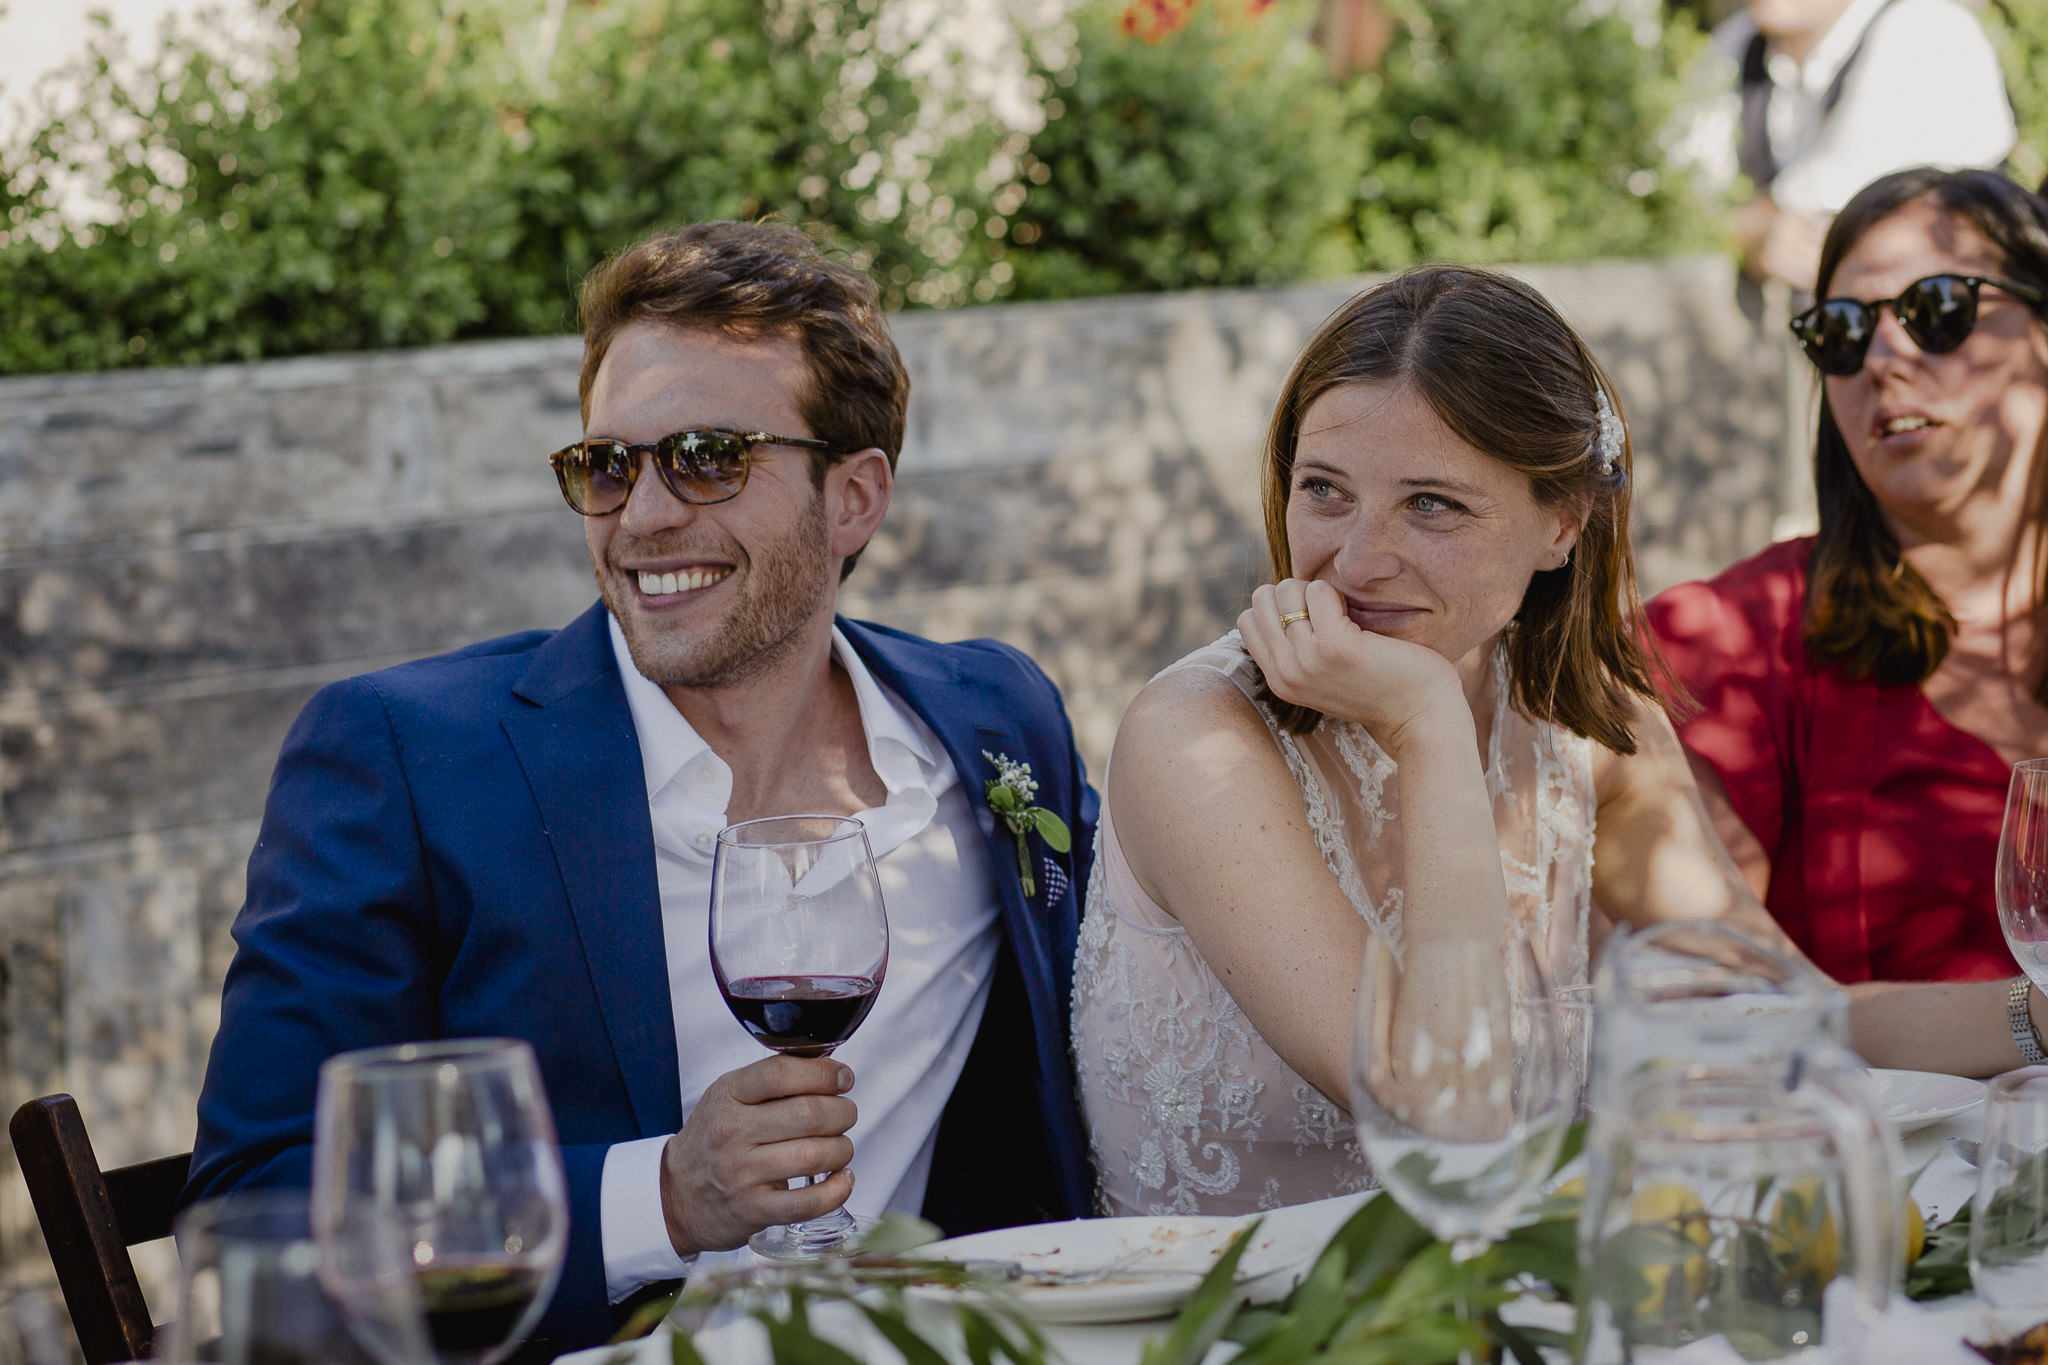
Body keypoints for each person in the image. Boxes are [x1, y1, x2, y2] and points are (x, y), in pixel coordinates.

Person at [181, 221, 1097, 1349]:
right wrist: (662, 1197)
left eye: (710, 458)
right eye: (607, 465)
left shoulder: (994, 722)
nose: (646, 516)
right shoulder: (403, 758)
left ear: (854, 497)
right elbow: (253, 1203)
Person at [1072, 262, 2048, 1219]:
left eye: (1430, 503)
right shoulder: (1196, 740)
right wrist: (1426, 723)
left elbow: (1794, 1016)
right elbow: (1441, 1112)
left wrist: (2037, 1011)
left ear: (1562, 525)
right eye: (1324, 490)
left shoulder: (1588, 726)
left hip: (1515, 1295)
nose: (1357, 560)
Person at [1649, 168, 2048, 991]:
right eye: (1841, 330)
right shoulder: (1734, 642)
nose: (1884, 357)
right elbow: (1709, 996)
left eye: (1938, 308)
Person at [1716, 0, 2013, 291]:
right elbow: (1693, 200)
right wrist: (1748, 229)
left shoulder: (1926, 27)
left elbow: (1820, 204)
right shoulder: (1741, 39)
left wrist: (1743, 225)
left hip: (1945, 307)